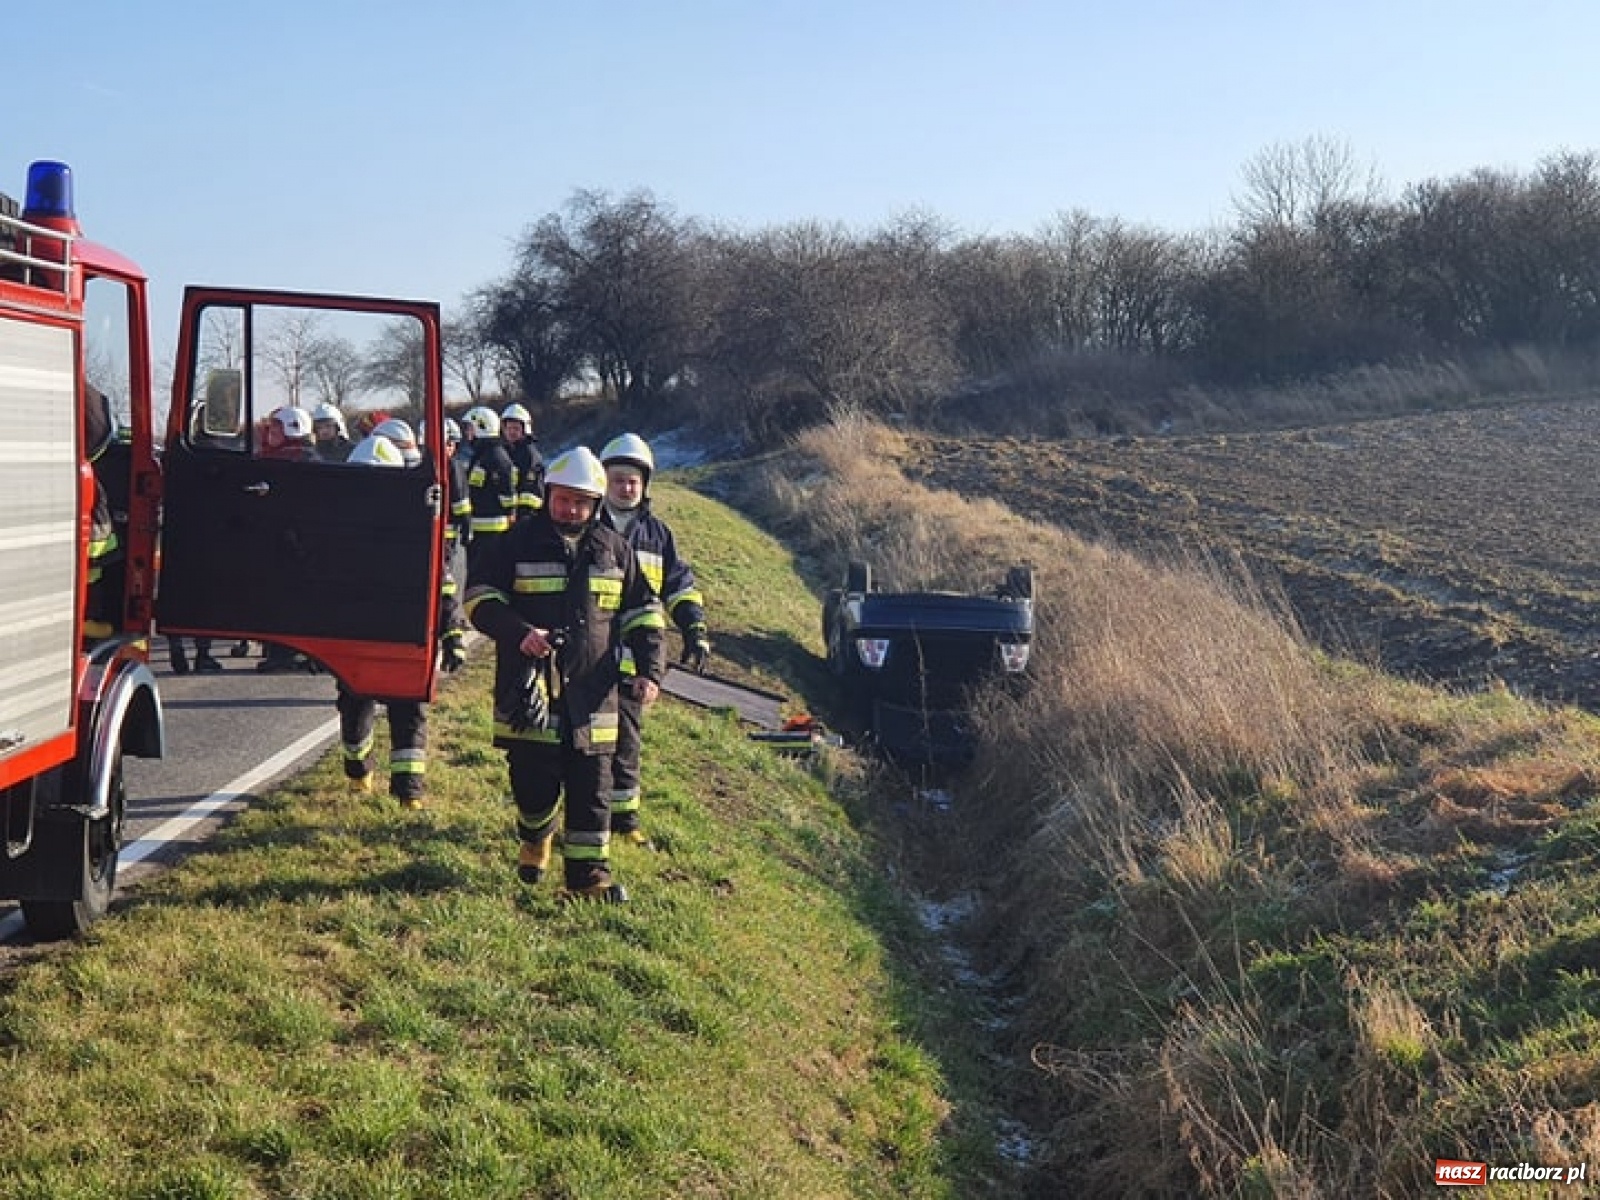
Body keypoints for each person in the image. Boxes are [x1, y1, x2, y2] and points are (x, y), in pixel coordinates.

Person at [464, 447, 667, 902]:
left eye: (579, 502)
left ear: (595, 504)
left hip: (595, 694)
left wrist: (650, 672)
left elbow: (645, 613)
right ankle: (536, 835)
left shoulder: (615, 551)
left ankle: (588, 880)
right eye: (562, 499)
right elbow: (478, 598)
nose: (570, 509)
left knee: (593, 788)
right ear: (548, 494)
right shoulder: (516, 543)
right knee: (533, 784)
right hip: (530, 690)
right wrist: (519, 632)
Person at [598, 433, 711, 844]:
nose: (626, 488)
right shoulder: (587, 525)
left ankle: (625, 821)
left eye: (633, 481)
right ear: (603, 481)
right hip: (589, 655)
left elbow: (679, 587)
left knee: (627, 741)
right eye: (618, 480)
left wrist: (694, 628)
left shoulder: (658, 535)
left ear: (644, 485)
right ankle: (583, 815)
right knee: (585, 742)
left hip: (636, 660)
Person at [334, 433, 432, 807]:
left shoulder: (418, 524)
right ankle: (359, 773)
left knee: (409, 712)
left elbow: (440, 582)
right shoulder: (335, 527)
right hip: (354, 635)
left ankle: (409, 794)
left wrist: (452, 632)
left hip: (403, 636)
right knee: (354, 707)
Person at [461, 405, 518, 575]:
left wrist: (510, 513)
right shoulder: (483, 454)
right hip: (481, 529)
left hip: (492, 532)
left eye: (470, 428)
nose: (467, 433)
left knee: (486, 574)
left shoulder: (496, 456)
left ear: (482, 427)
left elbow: (508, 495)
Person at [499, 402, 544, 520]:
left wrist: (522, 517)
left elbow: (529, 493)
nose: (511, 432)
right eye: (508, 428)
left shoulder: (530, 455)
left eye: (516, 428)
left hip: (525, 515)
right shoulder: (506, 450)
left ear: (525, 430)